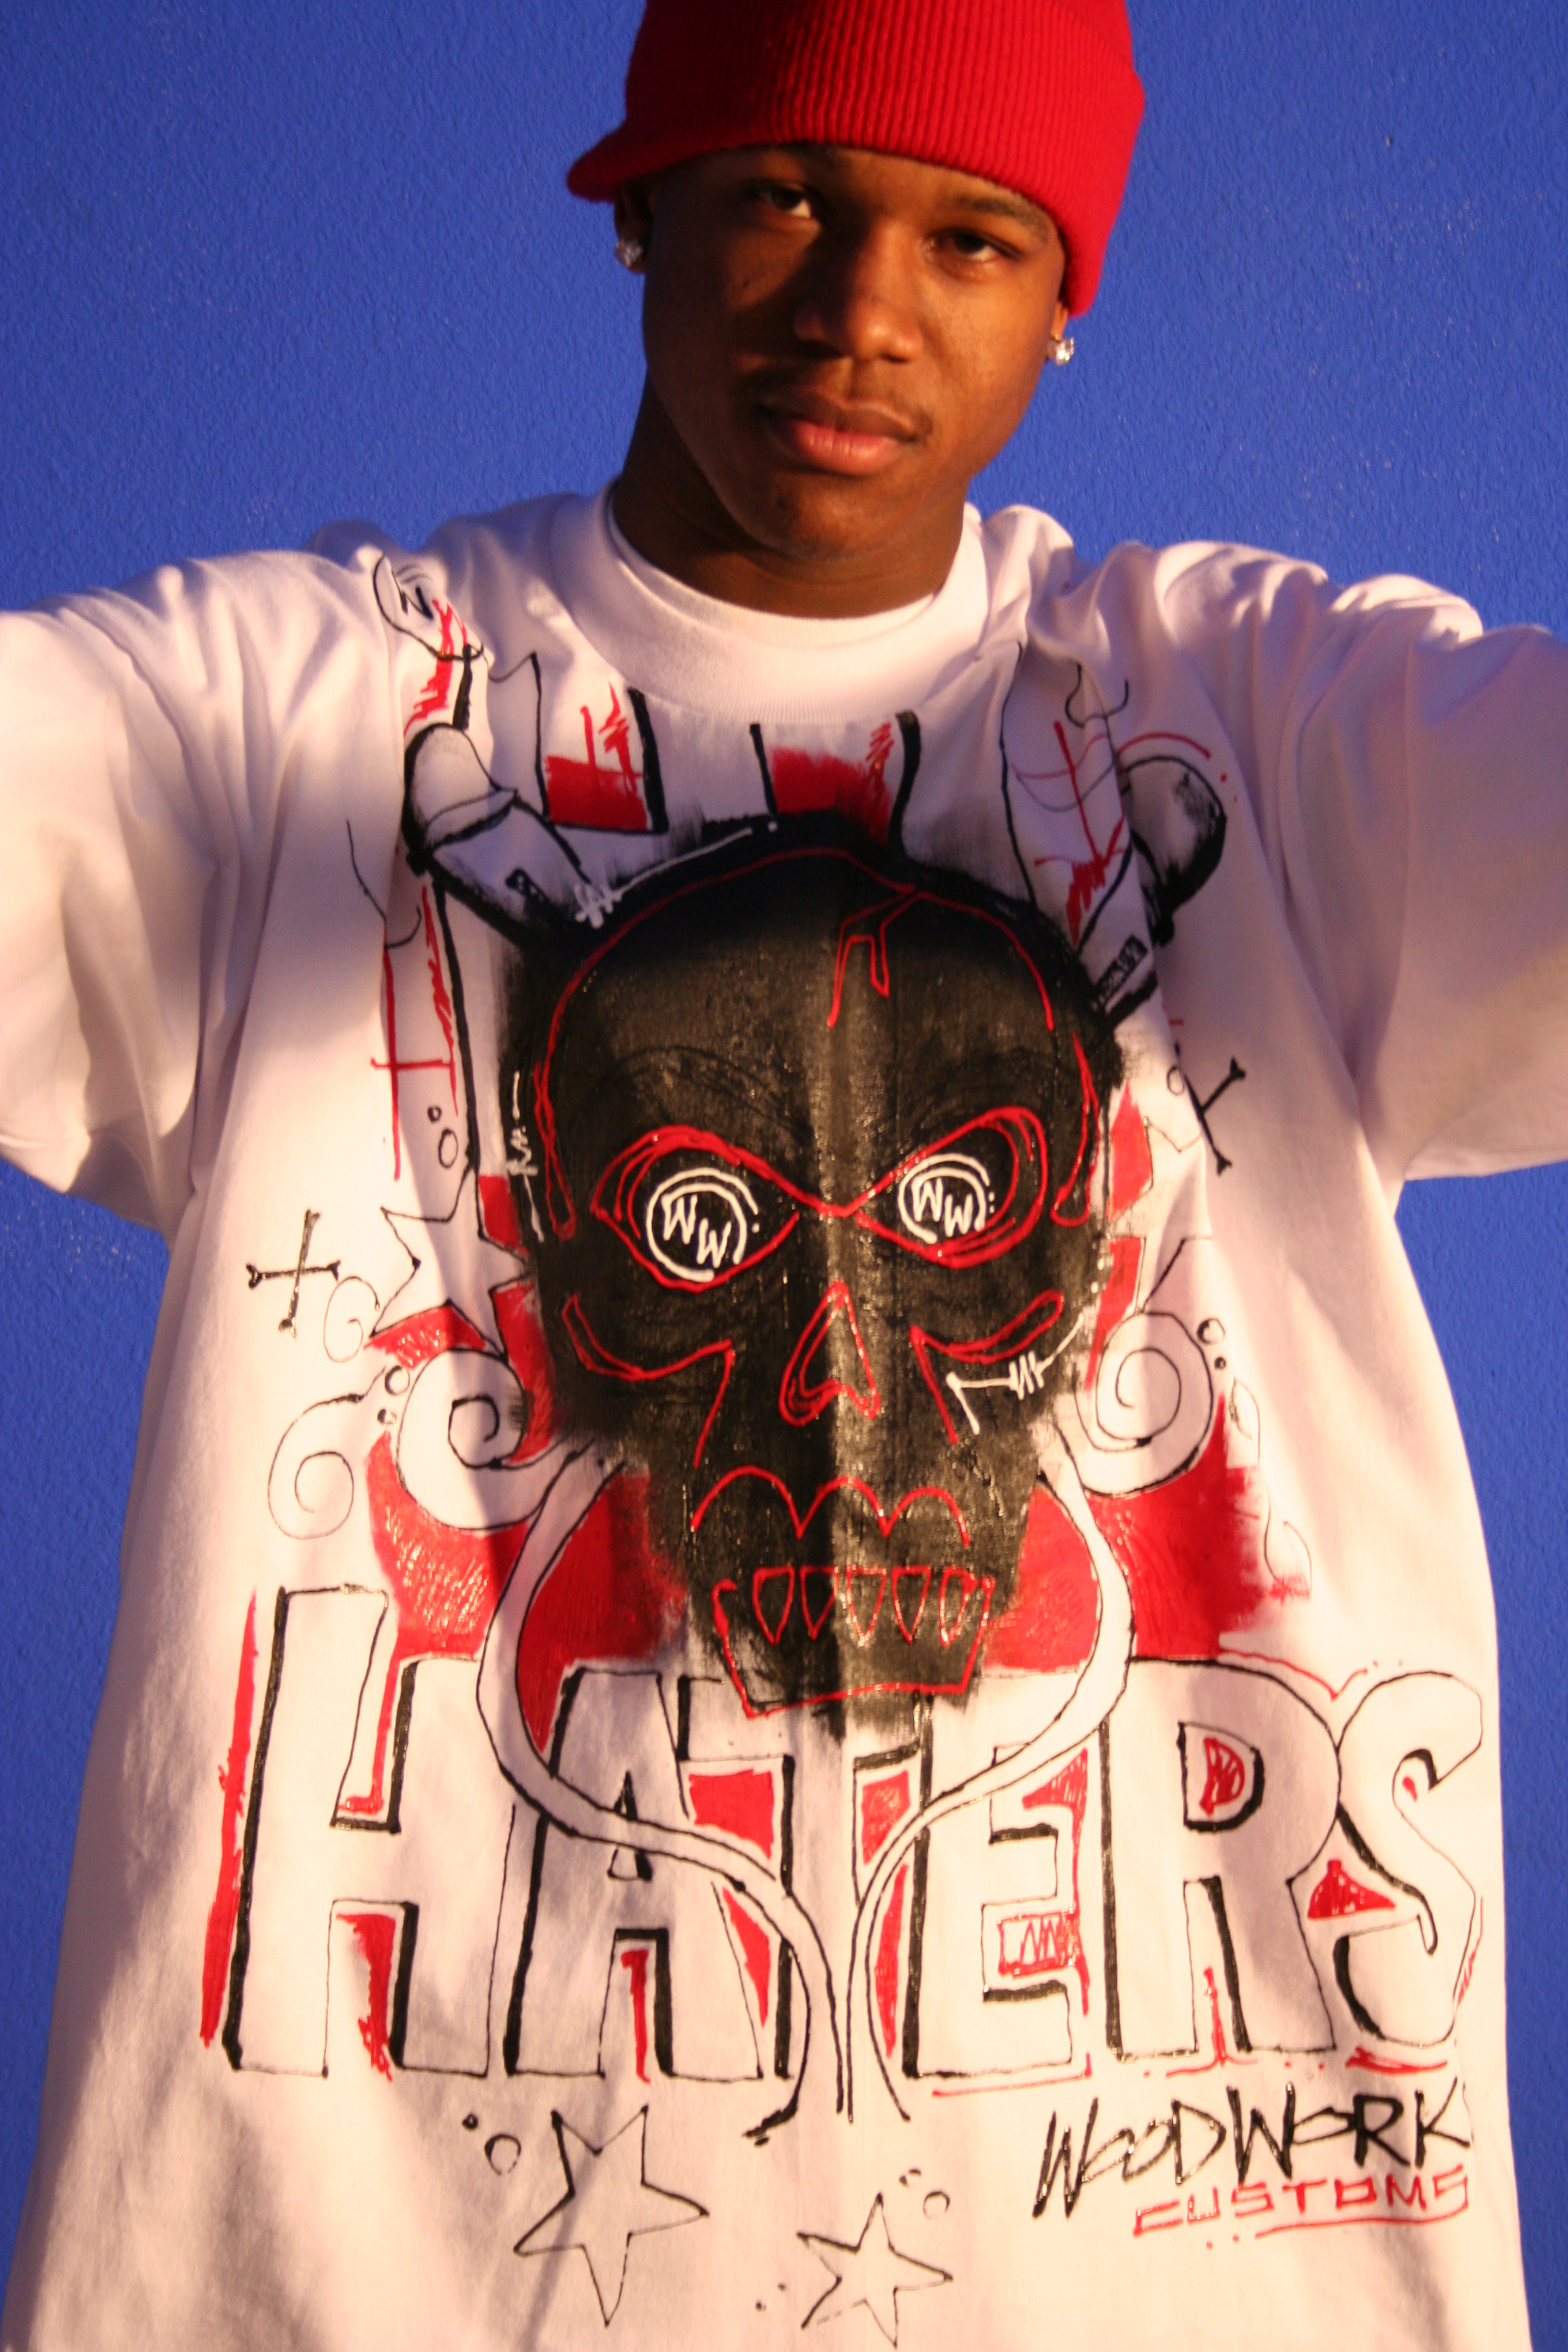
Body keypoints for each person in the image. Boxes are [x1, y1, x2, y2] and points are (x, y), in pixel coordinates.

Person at [0, 0, 1562, 2343]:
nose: (861, 313)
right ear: (642, 204)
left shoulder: (1261, 734)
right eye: (786, 196)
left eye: (972, 237)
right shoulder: (279, 729)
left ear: (1068, 293)